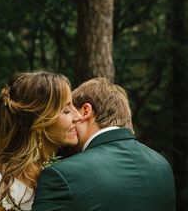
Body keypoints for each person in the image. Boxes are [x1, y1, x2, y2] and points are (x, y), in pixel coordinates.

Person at [32, 77, 176, 211]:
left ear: (85, 111)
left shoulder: (62, 175)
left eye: (69, 111)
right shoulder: (161, 165)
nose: (72, 119)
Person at [0, 71, 82, 211]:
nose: (79, 116)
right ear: (39, 123)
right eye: (66, 111)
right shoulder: (0, 188)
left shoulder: (73, 168)